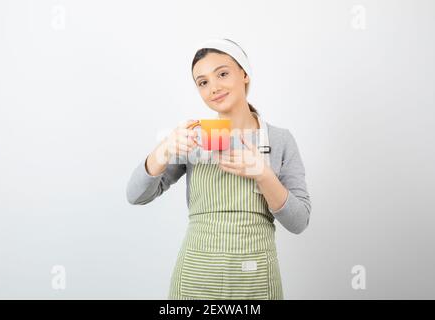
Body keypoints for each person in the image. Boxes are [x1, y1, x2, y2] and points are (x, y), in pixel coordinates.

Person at [126, 38, 311, 299]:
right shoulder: (193, 138)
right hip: (195, 279)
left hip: (255, 280)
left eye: (222, 73)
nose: (213, 88)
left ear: (244, 74)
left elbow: (299, 221)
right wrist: (164, 149)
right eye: (203, 82)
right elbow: (135, 196)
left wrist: (263, 174)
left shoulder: (279, 140)